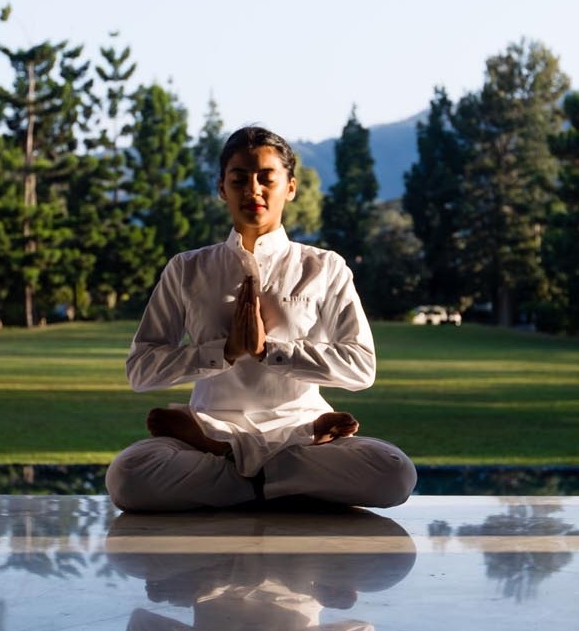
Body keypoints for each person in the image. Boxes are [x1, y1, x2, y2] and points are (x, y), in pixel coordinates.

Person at [105, 126, 418, 512]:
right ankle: (273, 479)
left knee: (394, 473)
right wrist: (225, 351)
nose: (253, 190)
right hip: (210, 426)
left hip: (302, 429)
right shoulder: (188, 268)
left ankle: (234, 467)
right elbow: (141, 370)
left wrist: (270, 351)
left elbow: (361, 367)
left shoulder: (323, 267)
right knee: (128, 477)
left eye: (266, 178)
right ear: (222, 188)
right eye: (239, 179)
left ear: (290, 187)